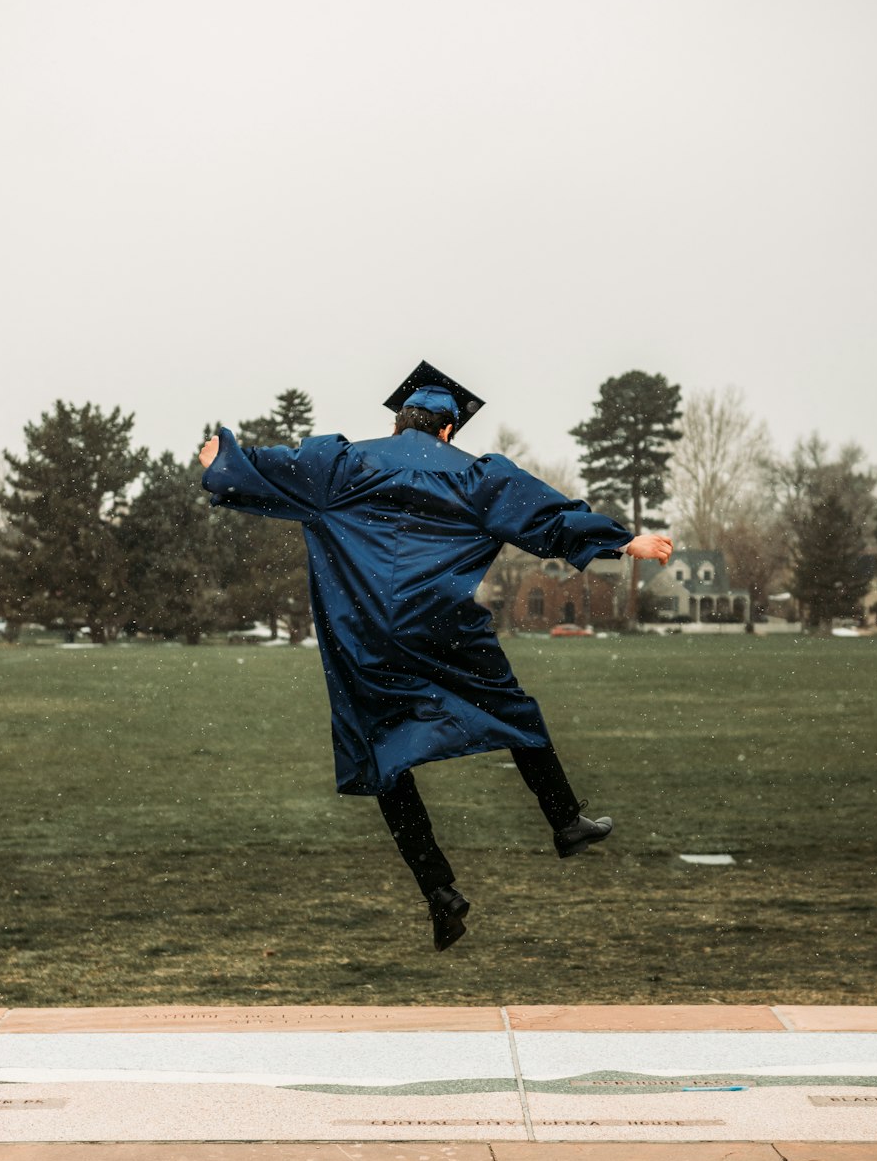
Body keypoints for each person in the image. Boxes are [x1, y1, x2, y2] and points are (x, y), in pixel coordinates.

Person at [199, 361, 672, 952]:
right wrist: (624, 541)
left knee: (384, 758)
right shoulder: (477, 476)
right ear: (448, 430)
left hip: (364, 637)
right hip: (440, 629)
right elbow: (547, 517)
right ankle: (565, 821)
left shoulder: (340, 465)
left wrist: (220, 462)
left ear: (401, 424)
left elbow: (258, 467)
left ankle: (438, 892)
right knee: (512, 710)